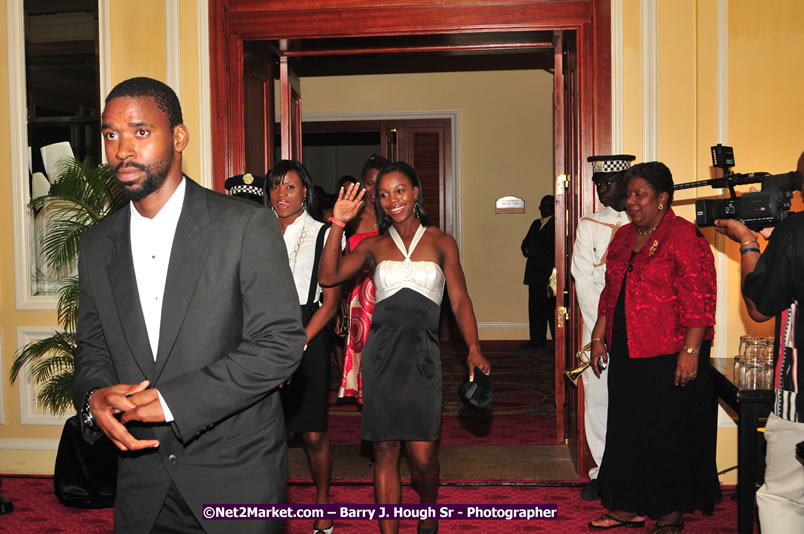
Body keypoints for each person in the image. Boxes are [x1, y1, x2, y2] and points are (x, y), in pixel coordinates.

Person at [71, 77, 306, 534]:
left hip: (237, 480)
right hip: (143, 486)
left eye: (140, 132)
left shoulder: (245, 226)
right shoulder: (97, 244)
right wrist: (94, 397)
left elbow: (280, 346)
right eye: (110, 134)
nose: (121, 150)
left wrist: (172, 401)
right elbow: (92, 348)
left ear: (178, 137)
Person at [319, 161, 491, 534]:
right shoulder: (375, 246)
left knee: (424, 459)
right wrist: (337, 223)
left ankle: (428, 507)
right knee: (385, 452)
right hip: (381, 359)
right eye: (383, 194)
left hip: (423, 358)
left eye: (399, 190)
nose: (392, 199)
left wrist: (473, 348)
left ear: (415, 192)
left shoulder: (442, 241)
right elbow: (329, 275)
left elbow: (460, 300)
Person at [588, 162, 721, 533]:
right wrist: (599, 336)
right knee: (627, 429)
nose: (630, 201)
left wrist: (691, 352)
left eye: (639, 195)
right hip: (629, 349)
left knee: (667, 433)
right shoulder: (624, 236)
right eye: (629, 194)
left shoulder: (683, 236)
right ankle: (627, 506)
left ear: (662, 199)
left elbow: (700, 298)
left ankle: (669, 511)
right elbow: (610, 290)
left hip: (670, 352)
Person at [715, 151, 804, 534]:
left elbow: (759, 307)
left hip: (801, 403)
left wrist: (750, 243)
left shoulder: (796, 233)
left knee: (784, 497)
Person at [266, 159, 341, 534]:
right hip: (264, 334)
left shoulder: (325, 234)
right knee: (267, 430)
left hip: (308, 329)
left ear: (305, 193)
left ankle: (324, 498)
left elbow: (331, 303)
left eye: (290, 187)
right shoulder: (256, 231)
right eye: (276, 187)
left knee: (312, 431)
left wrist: (301, 340)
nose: (282, 194)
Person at [570, 154, 634, 501]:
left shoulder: (644, 221)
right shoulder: (589, 224)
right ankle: (602, 471)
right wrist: (600, 329)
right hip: (597, 327)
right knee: (597, 399)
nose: (601, 188)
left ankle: (635, 469)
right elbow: (582, 276)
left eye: (608, 182)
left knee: (634, 398)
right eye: (597, 182)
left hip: (638, 328)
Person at [339, 155, 390, 400]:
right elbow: (342, 262)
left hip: (390, 294)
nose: (374, 189)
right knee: (367, 358)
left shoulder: (395, 216)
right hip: (360, 298)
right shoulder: (351, 217)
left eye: (380, 182)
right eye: (369, 183)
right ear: (362, 183)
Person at [521, 195, 555, 347]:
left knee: (551, 310)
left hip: (549, 273)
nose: (543, 209)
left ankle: (557, 344)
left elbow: (555, 246)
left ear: (554, 207)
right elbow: (524, 243)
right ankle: (536, 341)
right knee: (535, 308)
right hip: (534, 272)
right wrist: (528, 248)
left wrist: (538, 249)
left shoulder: (557, 223)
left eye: (547, 205)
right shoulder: (536, 223)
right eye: (541, 206)